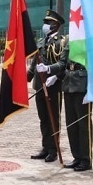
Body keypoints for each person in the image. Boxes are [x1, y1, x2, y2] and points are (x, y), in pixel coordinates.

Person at [27, 10, 66, 163]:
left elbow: (65, 64)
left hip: (53, 86)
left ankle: (53, 149)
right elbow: (35, 62)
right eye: (45, 22)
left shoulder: (62, 42)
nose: (45, 25)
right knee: (43, 118)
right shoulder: (41, 42)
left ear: (56, 25)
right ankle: (45, 147)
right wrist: (28, 76)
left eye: (48, 23)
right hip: (39, 85)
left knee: (53, 119)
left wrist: (56, 77)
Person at [48, 38, 92, 171]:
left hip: (83, 87)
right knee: (71, 124)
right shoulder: (70, 39)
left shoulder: (91, 38)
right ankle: (77, 157)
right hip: (68, 85)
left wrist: (91, 90)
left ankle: (85, 159)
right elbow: (62, 63)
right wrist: (49, 68)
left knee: (83, 125)